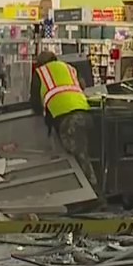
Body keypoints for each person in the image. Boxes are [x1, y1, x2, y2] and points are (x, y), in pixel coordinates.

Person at [30, 51, 98, 188]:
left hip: (68, 119)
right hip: (85, 112)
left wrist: (44, 112)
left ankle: (94, 197)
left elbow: (35, 102)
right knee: (82, 156)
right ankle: (86, 193)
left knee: (78, 160)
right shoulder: (69, 67)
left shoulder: (41, 72)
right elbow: (83, 85)